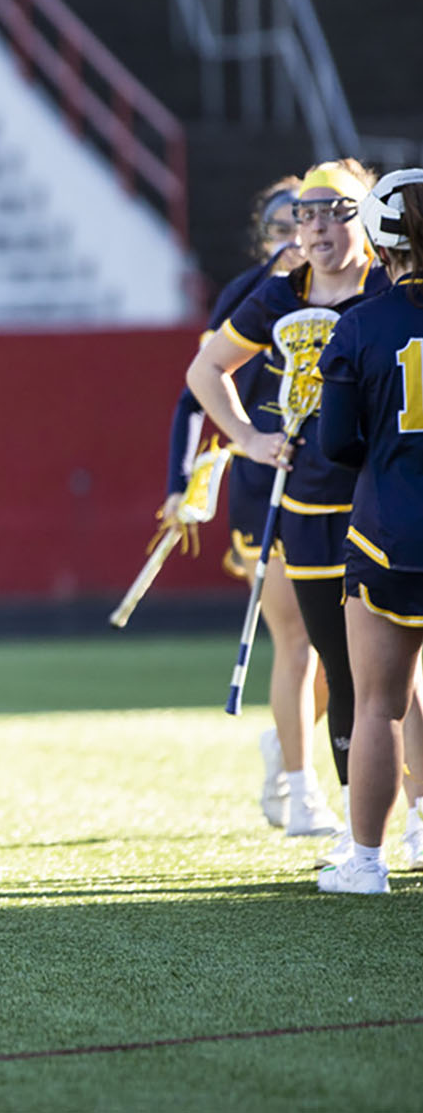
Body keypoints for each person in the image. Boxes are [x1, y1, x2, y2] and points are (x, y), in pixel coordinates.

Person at [189, 160, 389, 863]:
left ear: (364, 217)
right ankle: (337, 815)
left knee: (397, 671)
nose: (318, 227)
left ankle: (418, 812)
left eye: (336, 211)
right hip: (305, 502)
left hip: (382, 501)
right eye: (306, 214)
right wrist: (248, 437)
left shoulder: (392, 289)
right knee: (335, 664)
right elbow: (204, 370)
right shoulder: (279, 295)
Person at [162, 177, 332, 834]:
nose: (296, 238)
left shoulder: (346, 292)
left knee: (342, 650)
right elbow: (193, 392)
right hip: (266, 487)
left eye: (306, 222)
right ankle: (299, 785)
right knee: (294, 641)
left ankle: (286, 742)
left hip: (333, 483)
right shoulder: (252, 297)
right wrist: (182, 482)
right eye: (281, 227)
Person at [314, 168, 423, 893]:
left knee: (379, 701)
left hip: (389, 533)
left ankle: (366, 861)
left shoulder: (357, 325)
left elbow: (334, 443)